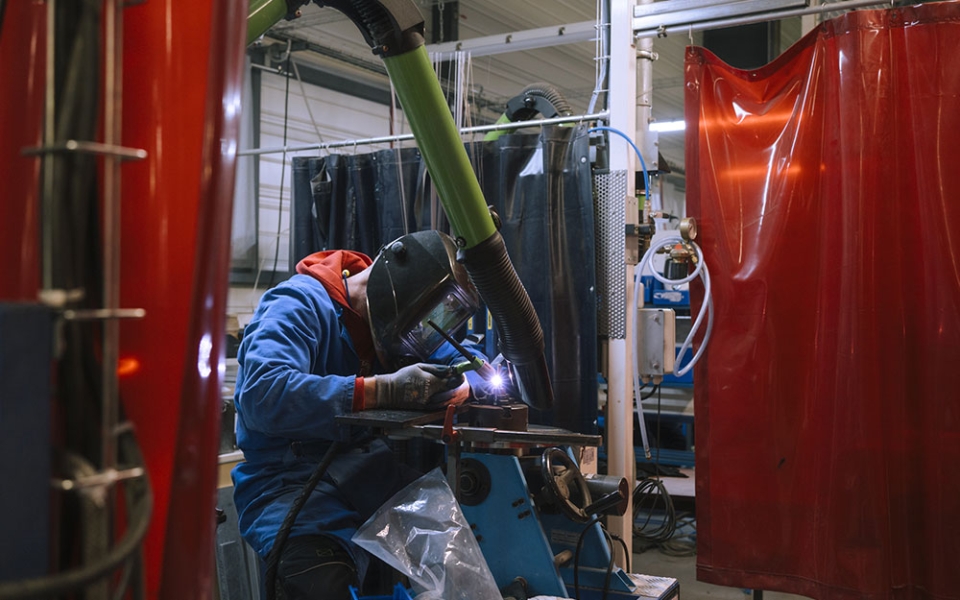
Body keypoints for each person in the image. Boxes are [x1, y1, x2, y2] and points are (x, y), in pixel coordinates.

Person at [231, 230, 489, 600]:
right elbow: (262, 394)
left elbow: (451, 357)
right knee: (323, 586)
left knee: (460, 562)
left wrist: (466, 379)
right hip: (289, 486)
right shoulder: (298, 304)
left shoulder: (397, 322)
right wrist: (381, 390)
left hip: (369, 477)